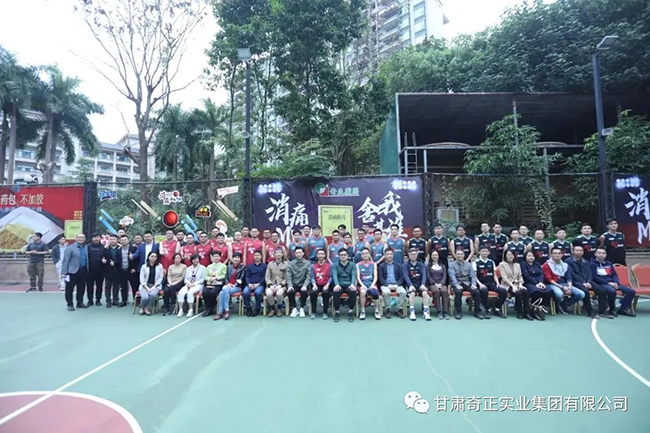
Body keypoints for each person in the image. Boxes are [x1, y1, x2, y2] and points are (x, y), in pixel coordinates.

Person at [566, 245, 611, 319]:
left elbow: (589, 273)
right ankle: (590, 311)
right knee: (585, 292)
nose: (579, 252)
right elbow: (572, 274)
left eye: (581, 251)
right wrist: (583, 282)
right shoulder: (568, 261)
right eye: (577, 250)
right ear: (573, 252)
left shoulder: (585, 261)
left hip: (588, 281)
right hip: (576, 282)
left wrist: (589, 282)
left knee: (602, 291)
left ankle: (602, 311)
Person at [590, 247, 636, 317]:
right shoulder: (592, 264)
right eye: (599, 253)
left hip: (613, 283)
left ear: (606, 255)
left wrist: (616, 282)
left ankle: (623, 309)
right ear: (595, 254)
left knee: (631, 291)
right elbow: (595, 278)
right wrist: (609, 283)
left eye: (603, 253)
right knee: (612, 291)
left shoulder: (609, 263)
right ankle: (612, 310)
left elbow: (614, 275)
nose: (601, 255)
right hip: (602, 283)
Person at [543, 247, 585, 314]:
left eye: (559, 253)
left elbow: (569, 278)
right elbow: (549, 279)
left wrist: (569, 287)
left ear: (562, 255)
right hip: (552, 284)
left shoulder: (565, 265)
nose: (557, 255)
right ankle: (556, 306)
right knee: (559, 294)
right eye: (555, 253)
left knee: (581, 294)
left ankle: (564, 304)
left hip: (564, 284)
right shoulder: (546, 265)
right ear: (551, 255)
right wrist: (562, 287)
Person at [474, 246, 507, 318]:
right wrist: (480, 284)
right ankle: (487, 310)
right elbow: (474, 276)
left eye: (486, 251)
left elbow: (494, 275)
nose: (484, 253)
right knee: (484, 291)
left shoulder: (491, 262)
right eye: (483, 251)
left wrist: (498, 283)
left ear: (489, 252)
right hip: (481, 284)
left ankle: (496, 309)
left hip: (491, 283)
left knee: (503, 291)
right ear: (479, 252)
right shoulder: (475, 262)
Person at [499, 250, 533, 320]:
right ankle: (519, 312)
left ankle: (527, 313)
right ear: (505, 256)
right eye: (508, 255)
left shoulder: (517, 265)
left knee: (525, 291)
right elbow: (504, 277)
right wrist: (512, 286)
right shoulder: (502, 264)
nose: (510, 256)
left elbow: (520, 276)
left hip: (517, 283)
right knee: (518, 293)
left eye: (512, 255)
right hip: (507, 284)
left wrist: (520, 284)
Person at [61, 233, 89, 311]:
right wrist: (64, 272)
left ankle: (79, 302)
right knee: (69, 289)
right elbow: (65, 260)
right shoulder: (70, 248)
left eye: (83, 237)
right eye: (79, 237)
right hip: (71, 271)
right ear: (76, 238)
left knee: (81, 288)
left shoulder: (86, 247)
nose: (81, 239)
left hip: (83, 271)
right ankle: (70, 304)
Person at [521, 250, 552, 320]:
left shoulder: (537, 264)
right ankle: (533, 310)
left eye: (532, 256)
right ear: (525, 257)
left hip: (540, 283)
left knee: (549, 291)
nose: (531, 257)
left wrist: (540, 282)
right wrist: (536, 283)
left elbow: (541, 274)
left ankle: (541, 309)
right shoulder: (523, 264)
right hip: (528, 283)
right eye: (529, 256)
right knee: (536, 292)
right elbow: (526, 275)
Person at [448, 249, 478, 320]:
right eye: (458, 254)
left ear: (464, 255)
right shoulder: (452, 265)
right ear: (455, 255)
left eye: (461, 254)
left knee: (476, 292)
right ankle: (458, 311)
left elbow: (473, 276)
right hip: (457, 283)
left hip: (467, 283)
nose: (460, 256)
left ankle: (477, 311)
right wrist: (456, 285)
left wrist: (473, 284)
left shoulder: (469, 264)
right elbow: (452, 276)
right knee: (458, 292)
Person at [215, 252, 246, 320]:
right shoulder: (229, 267)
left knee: (223, 291)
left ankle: (221, 312)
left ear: (240, 259)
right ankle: (225, 310)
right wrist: (228, 284)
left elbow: (242, 279)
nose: (236, 259)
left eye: (238, 258)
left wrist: (234, 285)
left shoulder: (243, 267)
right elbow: (226, 277)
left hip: (238, 287)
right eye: (235, 257)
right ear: (232, 258)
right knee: (222, 292)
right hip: (228, 286)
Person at [378, 248, 406, 319]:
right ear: (385, 255)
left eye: (391, 254)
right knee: (386, 292)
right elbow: (381, 278)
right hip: (386, 285)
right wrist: (387, 285)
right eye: (387, 254)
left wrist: (397, 285)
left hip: (396, 284)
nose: (389, 256)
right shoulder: (381, 266)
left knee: (403, 292)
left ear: (393, 255)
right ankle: (388, 309)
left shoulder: (398, 265)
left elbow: (401, 277)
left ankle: (398, 309)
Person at [403, 248, 430, 321]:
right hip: (411, 285)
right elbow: (406, 276)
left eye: (414, 254)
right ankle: (412, 312)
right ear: (409, 255)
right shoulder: (405, 265)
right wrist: (410, 285)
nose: (413, 256)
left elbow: (424, 275)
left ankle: (425, 312)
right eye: (411, 254)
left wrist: (423, 284)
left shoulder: (421, 264)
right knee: (412, 294)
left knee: (425, 293)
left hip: (420, 284)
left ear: (417, 254)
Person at [331, 249, 357, 323]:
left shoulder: (352, 264)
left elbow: (353, 275)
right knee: (336, 291)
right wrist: (336, 284)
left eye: (345, 255)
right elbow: (335, 275)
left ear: (348, 256)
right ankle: (337, 312)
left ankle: (350, 311)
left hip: (349, 284)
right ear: (339, 256)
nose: (343, 256)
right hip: (339, 284)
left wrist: (352, 284)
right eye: (341, 255)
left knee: (353, 291)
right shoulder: (335, 265)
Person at [357, 248, 381, 320]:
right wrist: (362, 285)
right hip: (362, 284)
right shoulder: (358, 265)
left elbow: (375, 277)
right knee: (363, 292)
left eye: (366, 253)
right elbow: (358, 277)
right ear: (361, 255)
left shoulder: (374, 264)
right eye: (363, 254)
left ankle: (376, 310)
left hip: (371, 283)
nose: (365, 255)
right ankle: (362, 311)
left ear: (369, 254)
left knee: (375, 293)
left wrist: (372, 285)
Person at [287, 247, 310, 317]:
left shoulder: (307, 263)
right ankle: (294, 308)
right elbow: (288, 276)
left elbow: (308, 276)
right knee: (290, 291)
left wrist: (305, 285)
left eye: (300, 252)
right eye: (297, 253)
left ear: (303, 253)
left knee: (304, 292)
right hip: (294, 284)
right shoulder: (291, 264)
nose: (298, 254)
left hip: (303, 284)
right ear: (294, 254)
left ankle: (302, 308)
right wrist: (290, 285)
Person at [202, 250, 227, 317]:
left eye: (217, 256)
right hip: (209, 283)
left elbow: (224, 275)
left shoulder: (223, 266)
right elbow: (205, 276)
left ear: (220, 257)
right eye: (214, 256)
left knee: (213, 292)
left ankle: (212, 307)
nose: (216, 258)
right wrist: (209, 278)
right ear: (212, 257)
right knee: (205, 292)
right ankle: (208, 308)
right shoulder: (209, 266)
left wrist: (217, 277)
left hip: (218, 284)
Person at [86, 232, 108, 306]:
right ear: (92, 238)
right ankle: (90, 300)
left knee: (99, 286)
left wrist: (105, 261)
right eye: (94, 237)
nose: (96, 239)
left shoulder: (104, 247)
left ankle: (98, 300)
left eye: (98, 237)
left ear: (100, 238)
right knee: (89, 286)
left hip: (100, 270)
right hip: (90, 271)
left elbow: (106, 257)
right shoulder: (88, 247)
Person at [138, 252, 163, 316]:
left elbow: (161, 277)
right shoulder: (144, 266)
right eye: (152, 256)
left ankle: (147, 308)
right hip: (145, 286)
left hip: (155, 286)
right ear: (148, 257)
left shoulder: (160, 266)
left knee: (153, 295)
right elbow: (141, 278)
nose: (153, 258)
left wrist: (154, 286)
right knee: (145, 297)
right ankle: (142, 307)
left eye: (155, 256)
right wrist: (147, 288)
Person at [243, 250, 267, 316]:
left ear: (261, 256)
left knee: (258, 293)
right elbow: (247, 277)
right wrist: (249, 284)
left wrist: (258, 284)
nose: (257, 257)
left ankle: (257, 309)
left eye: (258, 255)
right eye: (255, 255)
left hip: (260, 285)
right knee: (245, 292)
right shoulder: (250, 266)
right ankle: (248, 309)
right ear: (253, 257)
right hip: (250, 284)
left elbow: (265, 277)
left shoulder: (264, 266)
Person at [310, 249, 332, 319]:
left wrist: (327, 285)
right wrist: (314, 285)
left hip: (326, 285)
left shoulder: (329, 266)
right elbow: (312, 277)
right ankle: (313, 312)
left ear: (325, 255)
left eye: (322, 254)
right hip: (317, 285)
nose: (321, 255)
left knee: (325, 293)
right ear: (317, 255)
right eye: (319, 254)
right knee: (313, 293)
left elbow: (331, 277)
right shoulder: (313, 266)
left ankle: (325, 312)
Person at [265, 248, 287, 317]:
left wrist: (280, 285)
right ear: (274, 254)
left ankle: (279, 309)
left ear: (282, 254)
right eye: (276, 253)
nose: (278, 254)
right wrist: (270, 285)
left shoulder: (286, 264)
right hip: (271, 284)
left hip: (281, 285)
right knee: (269, 294)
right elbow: (267, 276)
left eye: (280, 252)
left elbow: (287, 278)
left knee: (279, 293)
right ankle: (272, 309)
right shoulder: (270, 264)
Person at [427, 250, 448, 320]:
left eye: (436, 255)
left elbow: (444, 276)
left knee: (444, 291)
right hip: (432, 284)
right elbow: (429, 277)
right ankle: (438, 311)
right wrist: (435, 284)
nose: (434, 257)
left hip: (442, 284)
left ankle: (445, 311)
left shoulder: (443, 266)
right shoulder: (428, 266)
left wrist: (441, 284)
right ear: (431, 256)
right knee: (437, 291)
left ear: (438, 256)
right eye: (433, 255)